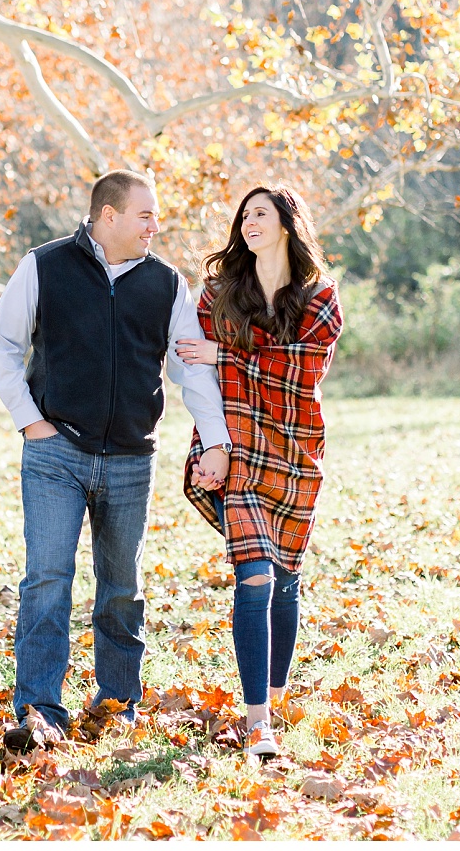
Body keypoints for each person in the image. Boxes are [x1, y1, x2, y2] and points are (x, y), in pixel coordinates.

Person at [0, 169, 232, 753]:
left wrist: (214, 439)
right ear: (108, 215)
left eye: (156, 216)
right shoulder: (44, 266)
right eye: (145, 215)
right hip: (55, 452)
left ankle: (116, 705)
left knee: (122, 588)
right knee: (46, 582)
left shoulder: (167, 284)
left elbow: (192, 370)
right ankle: (39, 713)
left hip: (130, 458)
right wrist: (29, 419)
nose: (155, 226)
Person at [175, 185, 343, 759]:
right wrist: (212, 443)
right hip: (238, 446)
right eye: (244, 215)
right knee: (254, 577)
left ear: (288, 226)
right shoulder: (219, 294)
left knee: (287, 579)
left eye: (261, 214)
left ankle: (272, 698)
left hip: (297, 447)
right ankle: (259, 725)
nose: (249, 223)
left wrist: (228, 356)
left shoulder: (320, 297)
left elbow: (303, 367)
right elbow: (190, 365)